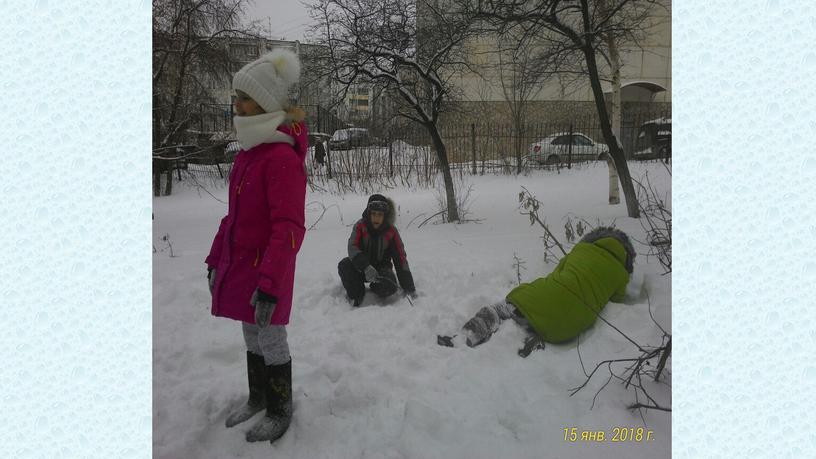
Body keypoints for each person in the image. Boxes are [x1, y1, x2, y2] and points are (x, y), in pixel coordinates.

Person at [204, 48, 308, 444]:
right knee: (251, 333)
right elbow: (232, 218)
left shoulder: (280, 157)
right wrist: (216, 259)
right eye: (236, 97)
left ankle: (280, 408)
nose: (237, 104)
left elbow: (289, 227)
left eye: (245, 97)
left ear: (264, 102)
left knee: (270, 336)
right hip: (245, 264)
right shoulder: (248, 155)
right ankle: (259, 395)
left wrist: (270, 282)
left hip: (268, 269)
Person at [439, 227, 635, 356]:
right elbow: (616, 301)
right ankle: (534, 337)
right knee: (548, 315)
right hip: (569, 329)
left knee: (505, 307)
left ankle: (468, 334)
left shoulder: (581, 250)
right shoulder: (621, 273)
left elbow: (557, 273)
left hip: (540, 299)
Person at [338, 194, 417, 306]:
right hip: (360, 268)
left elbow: (400, 259)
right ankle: (358, 295)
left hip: (381, 272)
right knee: (344, 265)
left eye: (380, 214)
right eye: (373, 214)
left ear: (385, 216)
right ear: (368, 213)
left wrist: (409, 287)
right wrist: (365, 266)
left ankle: (375, 289)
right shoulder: (360, 226)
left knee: (390, 285)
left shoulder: (392, 232)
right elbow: (352, 247)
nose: (376, 218)